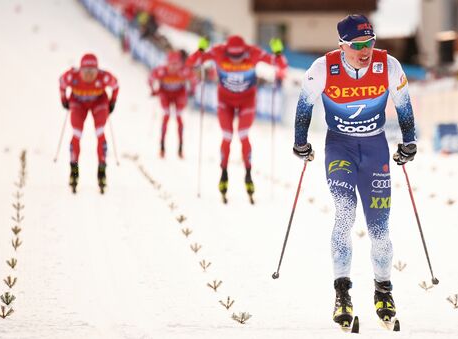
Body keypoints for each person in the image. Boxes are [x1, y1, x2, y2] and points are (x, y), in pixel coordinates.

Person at [292, 15, 417, 327]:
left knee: (380, 230)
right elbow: (304, 104)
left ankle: (384, 290)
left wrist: (409, 142)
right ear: (342, 45)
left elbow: (403, 103)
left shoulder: (388, 66)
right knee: (345, 213)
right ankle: (342, 293)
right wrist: (300, 142)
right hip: (340, 148)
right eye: (357, 44)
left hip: (375, 149)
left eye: (370, 43)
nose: (365, 50)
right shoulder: (323, 67)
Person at [186, 35, 287, 202]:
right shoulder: (218, 52)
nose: (236, 61)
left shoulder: (253, 53)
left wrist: (278, 52)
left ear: (244, 51)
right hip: (225, 102)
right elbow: (192, 62)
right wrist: (201, 50)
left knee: (243, 135)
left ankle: (248, 174)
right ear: (227, 51)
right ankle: (223, 173)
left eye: (239, 57)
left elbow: (281, 66)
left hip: (247, 101)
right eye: (232, 57)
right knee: (226, 136)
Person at [59, 53, 119, 193]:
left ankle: (102, 170)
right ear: (80, 70)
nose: (89, 75)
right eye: (85, 71)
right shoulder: (72, 76)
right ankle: (74, 172)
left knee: (100, 131)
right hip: (78, 102)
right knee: (77, 133)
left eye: (93, 72)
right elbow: (61, 83)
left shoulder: (103, 77)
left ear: (97, 70)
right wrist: (64, 99)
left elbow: (116, 85)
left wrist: (112, 102)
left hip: (99, 101)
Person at [149, 50, 191, 158]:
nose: (173, 67)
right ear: (167, 63)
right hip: (165, 94)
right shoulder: (161, 71)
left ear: (180, 64)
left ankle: (181, 148)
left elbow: (194, 79)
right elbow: (150, 78)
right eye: (171, 64)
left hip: (179, 95)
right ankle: (162, 147)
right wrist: (153, 90)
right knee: (166, 115)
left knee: (178, 116)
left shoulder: (184, 71)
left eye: (176, 64)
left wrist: (192, 91)